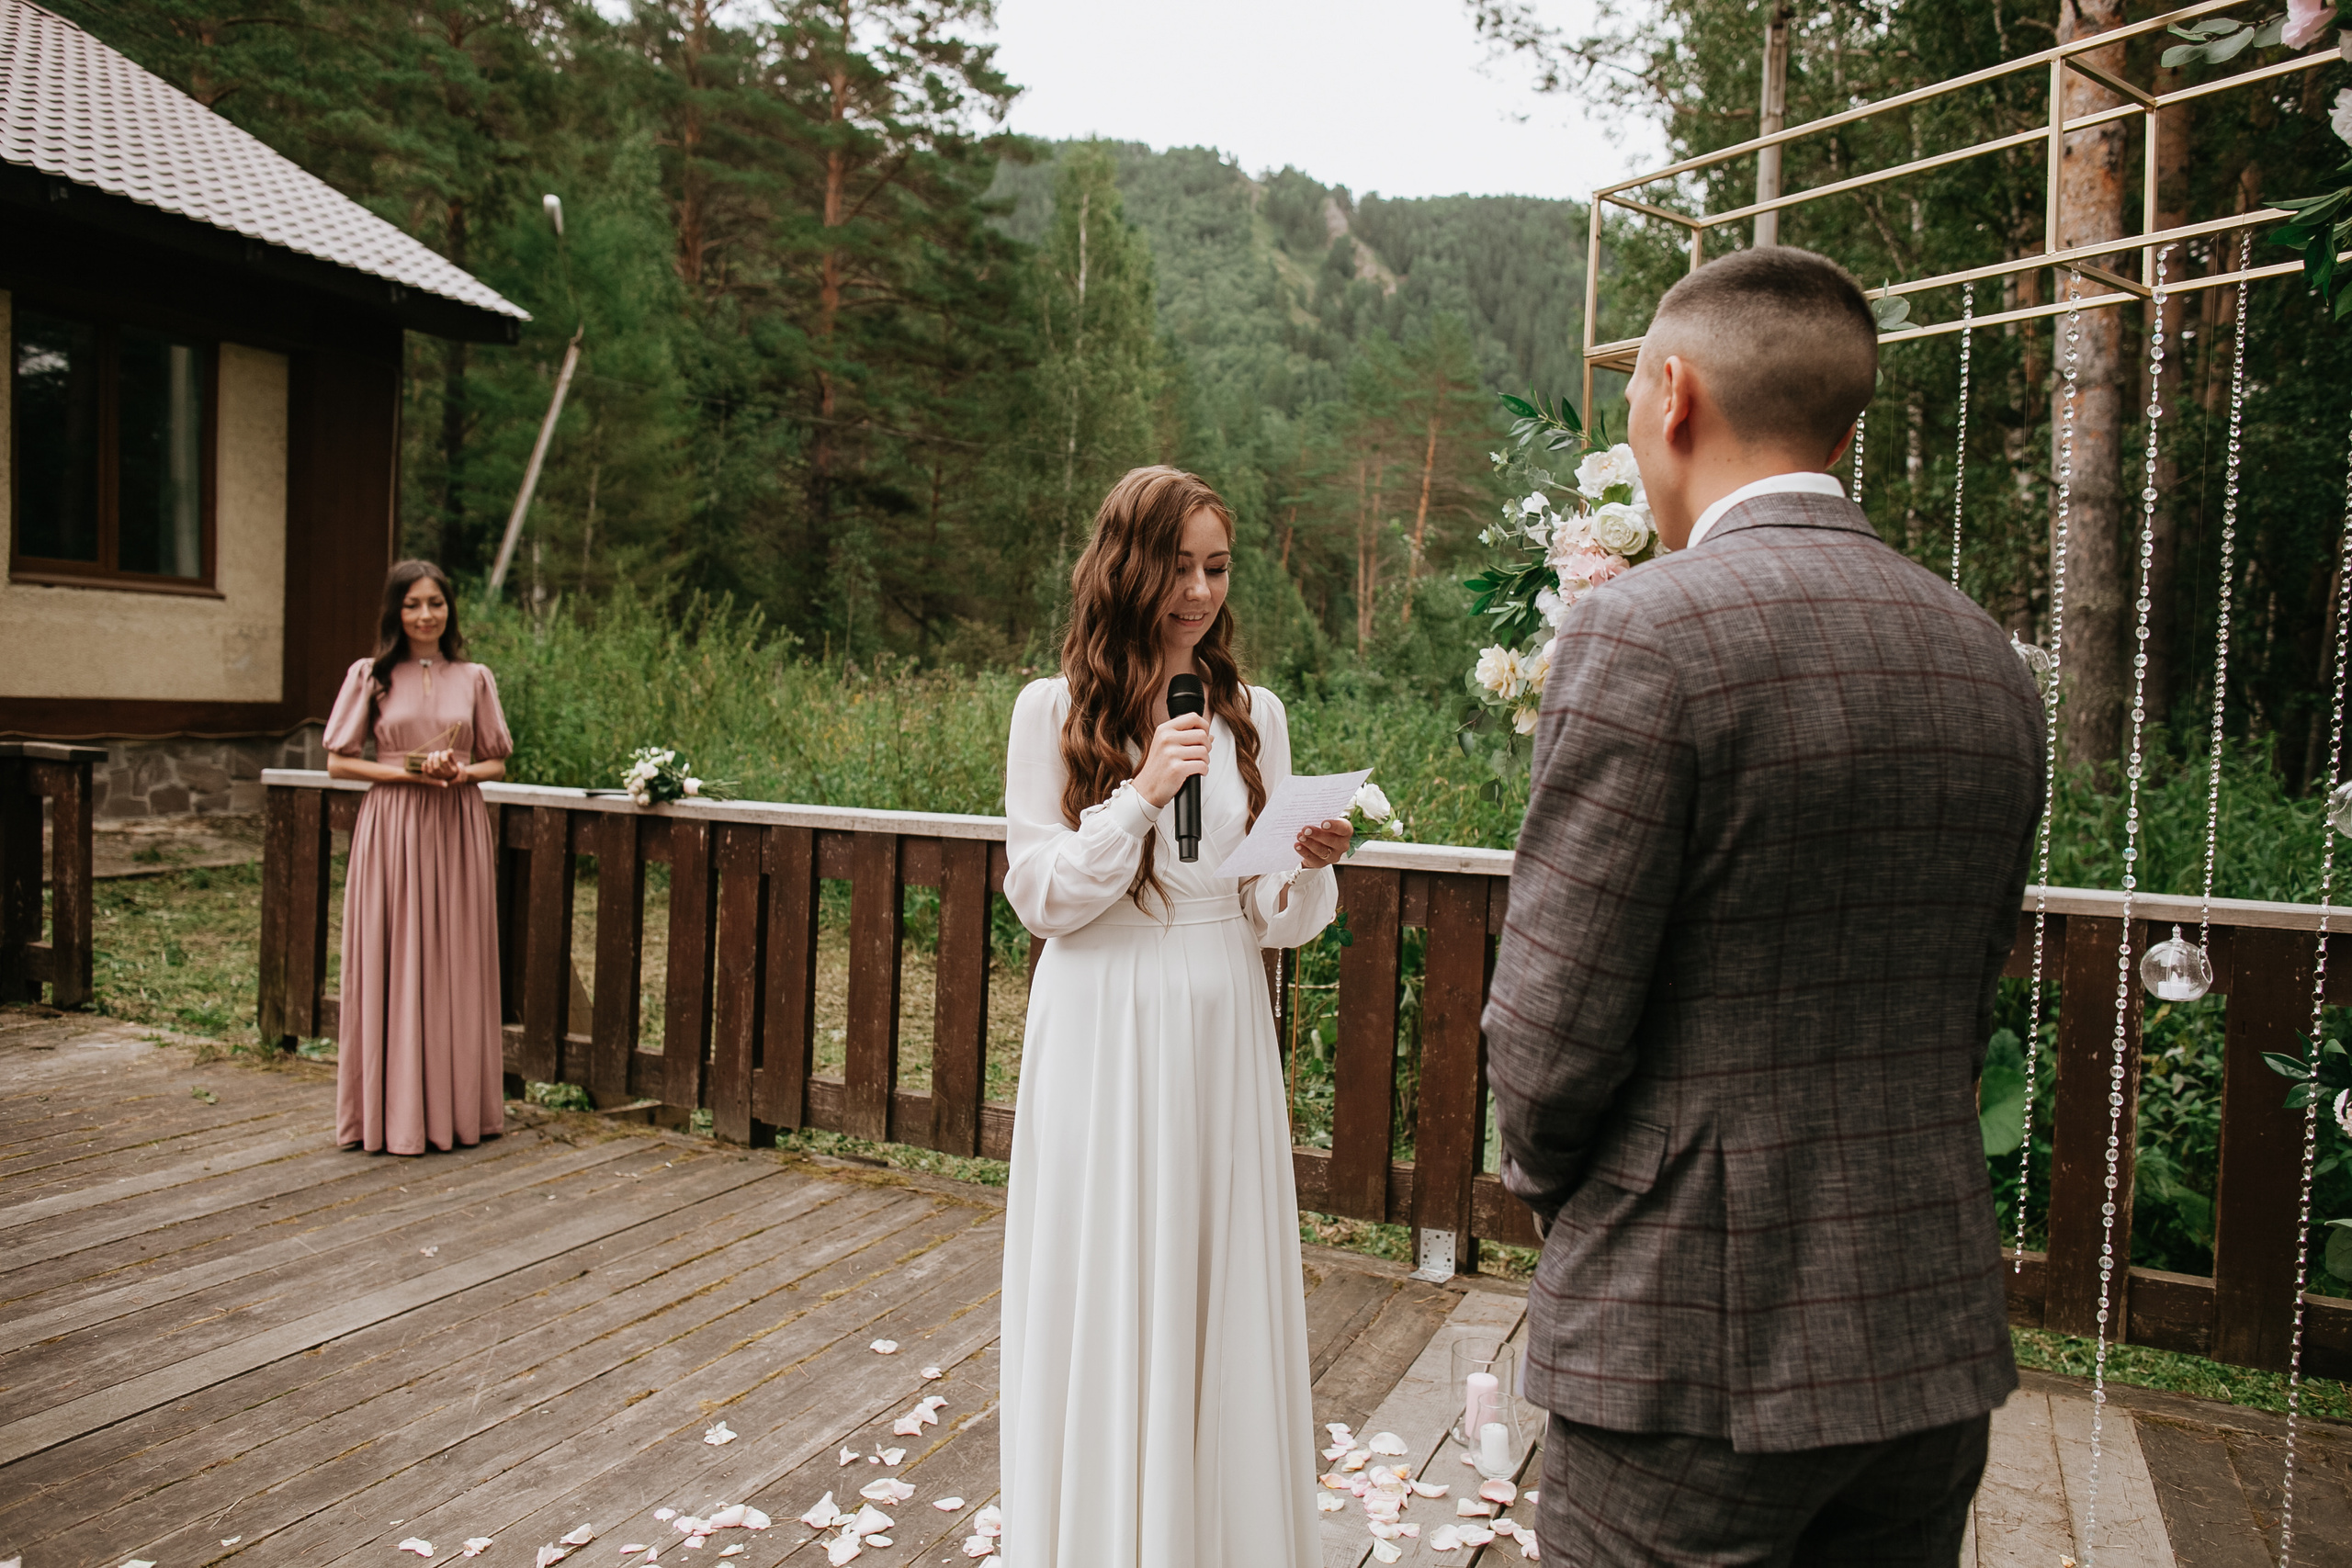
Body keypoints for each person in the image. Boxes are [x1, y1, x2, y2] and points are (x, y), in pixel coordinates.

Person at [1484, 248, 2045, 1564]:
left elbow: (1551, 1032)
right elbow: (1961, 1009)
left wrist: (1572, 1191)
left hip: (1689, 1346)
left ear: (1672, 394)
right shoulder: (1984, 654)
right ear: (1844, 425)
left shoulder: (1646, 633)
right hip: (1922, 1330)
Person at [999, 467, 1352, 1568]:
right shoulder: (1050, 709)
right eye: (1178, 568)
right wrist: (1140, 794)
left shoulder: (1259, 716)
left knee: (1216, 1278)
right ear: (1126, 568)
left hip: (1218, 1018)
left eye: (1216, 567)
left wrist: (1302, 866)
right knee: (1106, 1275)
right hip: (1101, 1016)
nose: (1199, 592)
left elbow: (1267, 913)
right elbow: (1043, 896)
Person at [324, 559, 514, 1156]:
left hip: (456, 826)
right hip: (394, 827)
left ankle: (457, 1112)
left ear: (449, 609)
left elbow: (496, 762)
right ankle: (387, 1114)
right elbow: (338, 761)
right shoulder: (370, 676)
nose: (425, 614)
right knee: (392, 955)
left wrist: (460, 772)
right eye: (412, 604)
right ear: (395, 611)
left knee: (454, 958)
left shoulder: (475, 677)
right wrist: (408, 768)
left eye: (435, 602)